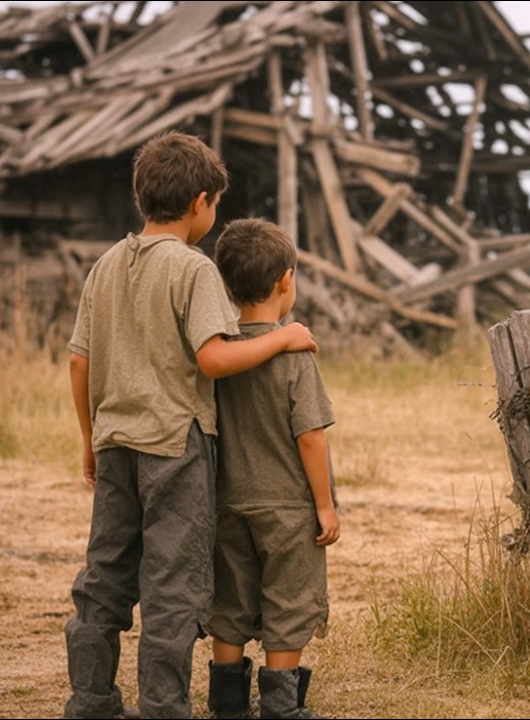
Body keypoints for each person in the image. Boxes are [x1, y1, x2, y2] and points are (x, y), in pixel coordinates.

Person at [64, 132, 318, 719]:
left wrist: (88, 437)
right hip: (175, 449)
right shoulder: (193, 268)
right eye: (215, 205)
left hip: (116, 443)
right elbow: (214, 358)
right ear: (202, 201)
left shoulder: (105, 265)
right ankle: (162, 707)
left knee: (102, 580)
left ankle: (92, 700)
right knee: (172, 587)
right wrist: (284, 337)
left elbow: (80, 361)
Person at [204, 218, 340, 720]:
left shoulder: (218, 349)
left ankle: (228, 703)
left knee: (231, 601)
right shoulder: (294, 351)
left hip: (227, 502)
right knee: (290, 599)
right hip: (288, 508)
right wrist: (324, 505)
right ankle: (281, 706)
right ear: (286, 280)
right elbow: (310, 435)